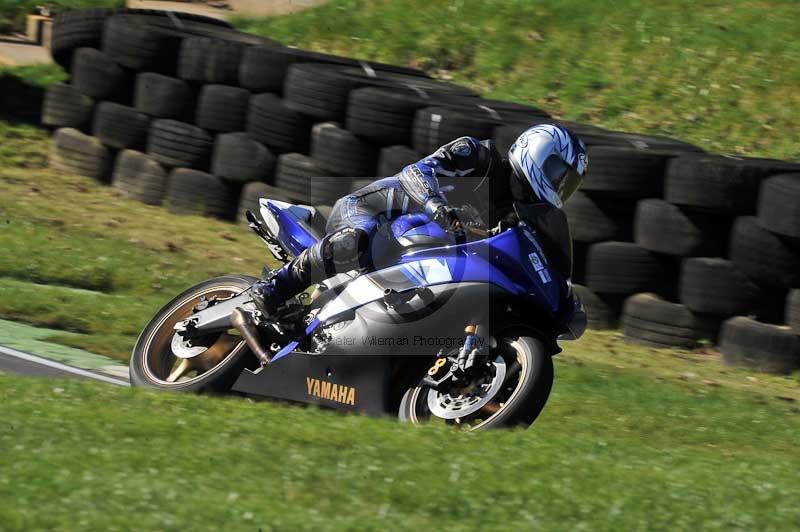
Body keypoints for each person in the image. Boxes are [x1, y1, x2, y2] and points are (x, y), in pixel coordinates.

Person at [251, 124, 588, 316]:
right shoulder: (478, 156)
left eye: (567, 183)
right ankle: (276, 287)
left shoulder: (518, 215)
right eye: (559, 174)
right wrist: (435, 205)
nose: (560, 186)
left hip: (417, 255)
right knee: (358, 239)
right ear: (537, 150)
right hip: (377, 213)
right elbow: (416, 172)